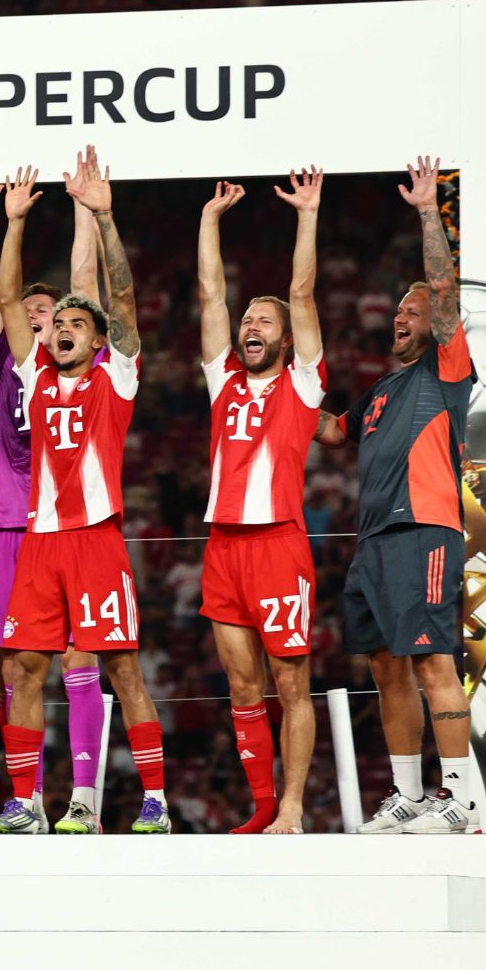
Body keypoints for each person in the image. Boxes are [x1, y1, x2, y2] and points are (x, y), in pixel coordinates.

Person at [0, 147, 170, 836]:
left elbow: (120, 301)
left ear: (97, 341)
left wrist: (105, 218)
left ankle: (154, 800)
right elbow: (6, 302)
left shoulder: (114, 379)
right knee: (26, 667)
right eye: (56, 323)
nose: (60, 330)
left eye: (73, 325)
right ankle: (27, 803)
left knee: (120, 667)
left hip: (95, 540)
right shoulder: (32, 377)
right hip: (39, 544)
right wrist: (15, 223)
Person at [315, 155, 486, 834]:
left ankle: (463, 802)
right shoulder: (384, 392)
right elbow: (332, 432)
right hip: (374, 544)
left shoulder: (447, 373)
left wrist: (425, 212)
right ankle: (412, 795)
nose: (402, 318)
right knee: (387, 666)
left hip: (424, 530)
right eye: (398, 312)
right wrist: (282, 387)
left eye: (413, 311)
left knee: (430, 660)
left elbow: (443, 287)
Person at [0, 152, 108, 833]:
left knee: (82, 660)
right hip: (11, 533)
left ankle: (85, 799)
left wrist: (84, 207)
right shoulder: (8, 370)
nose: (37, 318)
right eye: (31, 313)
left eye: (48, 313)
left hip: (71, 529)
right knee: (16, 672)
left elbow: (87, 284)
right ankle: (27, 801)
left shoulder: (82, 369)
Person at [195, 170, 327, 834]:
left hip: (279, 543)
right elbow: (210, 292)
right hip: (224, 545)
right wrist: (210, 219)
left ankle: (296, 806)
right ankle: (263, 806)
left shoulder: (303, 386)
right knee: (243, 688)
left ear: (283, 339)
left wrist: (307, 214)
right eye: (248, 319)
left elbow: (302, 292)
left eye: (262, 321)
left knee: (290, 685)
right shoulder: (223, 382)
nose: (250, 325)